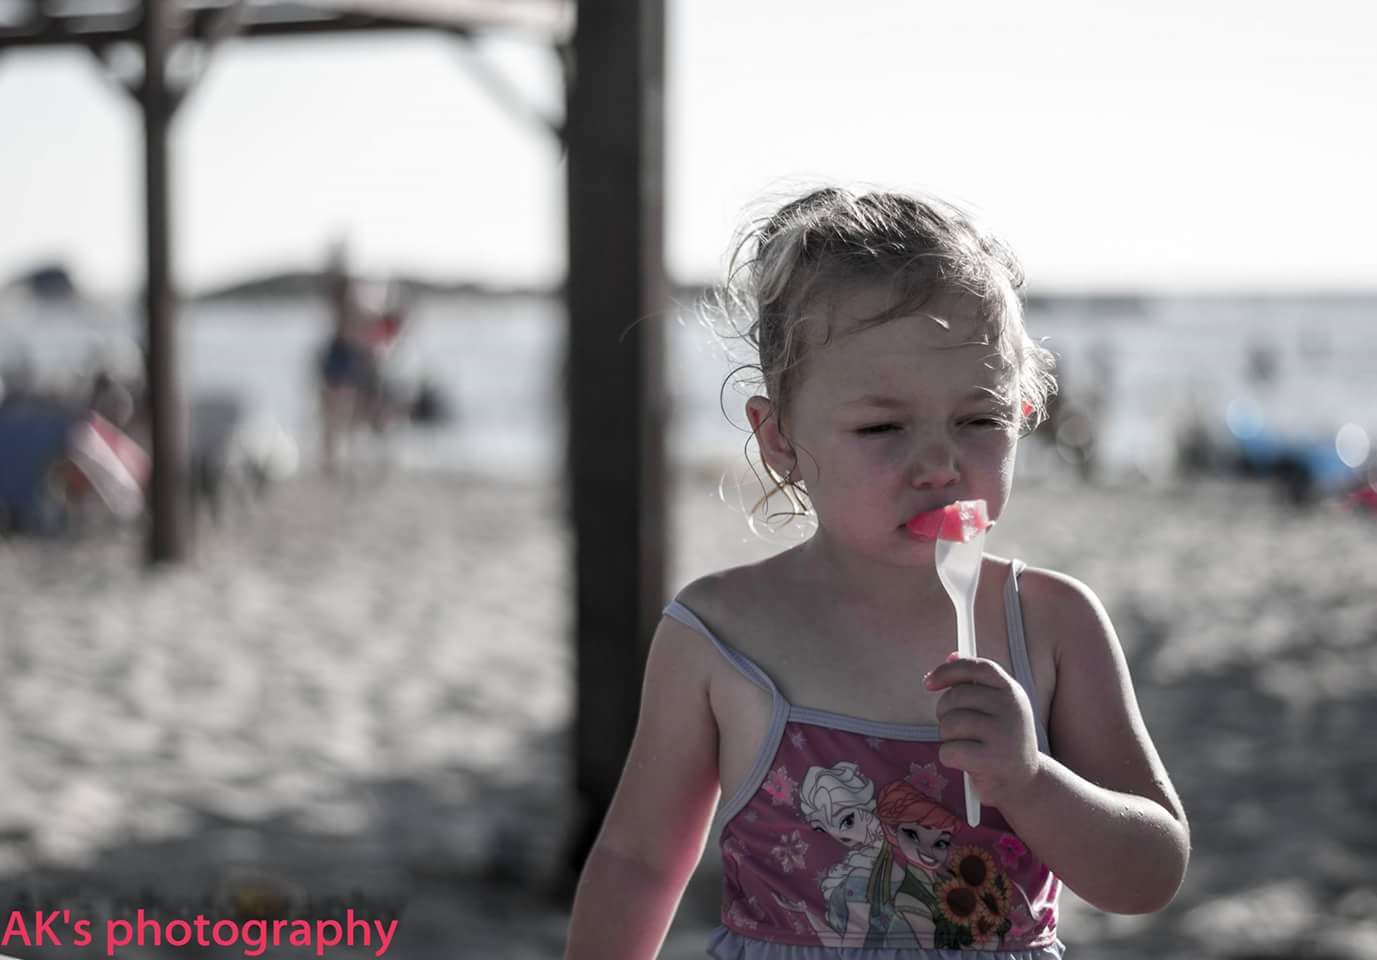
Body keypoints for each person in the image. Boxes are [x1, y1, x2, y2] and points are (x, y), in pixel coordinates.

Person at [562, 187, 1189, 959]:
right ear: (778, 438)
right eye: (882, 426)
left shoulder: (1050, 623)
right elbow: (637, 861)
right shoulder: (721, 633)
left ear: (1025, 413)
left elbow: (1149, 872)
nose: (938, 464)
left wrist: (1029, 781)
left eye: (979, 419)